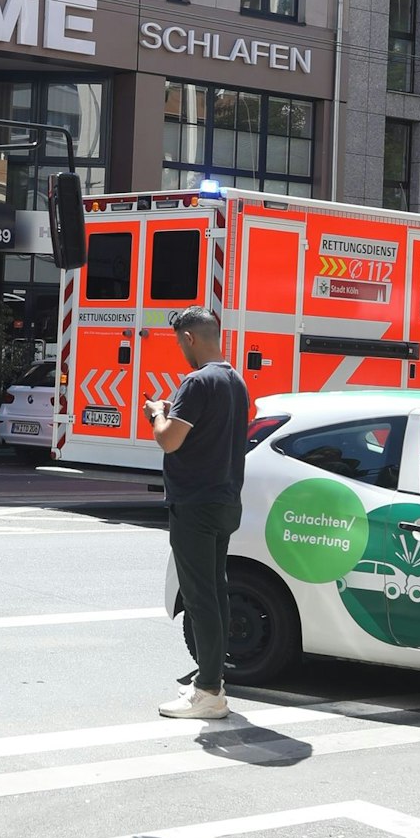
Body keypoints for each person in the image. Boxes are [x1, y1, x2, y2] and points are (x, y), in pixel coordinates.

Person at [144, 306, 250, 720]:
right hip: (224, 500)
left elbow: (170, 441)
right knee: (216, 592)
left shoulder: (197, 381)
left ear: (189, 338)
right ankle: (213, 683)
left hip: (194, 503)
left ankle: (208, 691)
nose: (180, 352)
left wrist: (158, 414)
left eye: (178, 343)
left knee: (200, 595)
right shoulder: (234, 380)